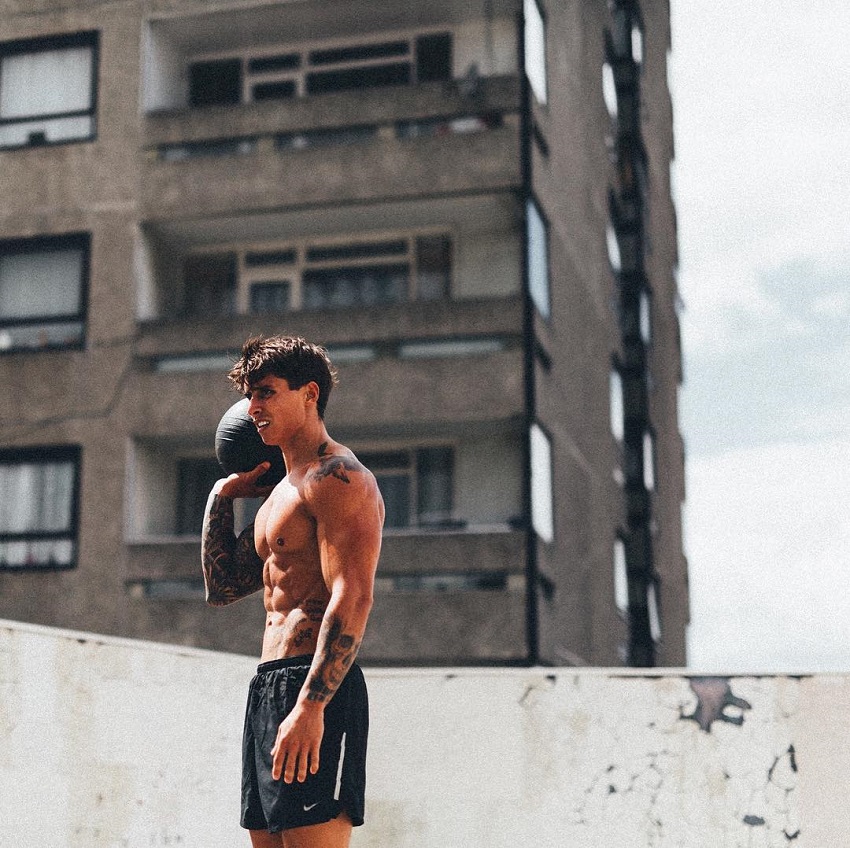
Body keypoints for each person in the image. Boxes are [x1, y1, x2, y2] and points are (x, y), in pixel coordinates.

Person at [201, 335, 384, 848]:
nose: (252, 408)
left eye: (265, 392)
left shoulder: (339, 478)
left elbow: (353, 595)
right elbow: (223, 587)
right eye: (249, 396)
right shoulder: (280, 492)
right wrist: (221, 496)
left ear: (309, 393)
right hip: (267, 686)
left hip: (314, 685)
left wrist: (311, 708)